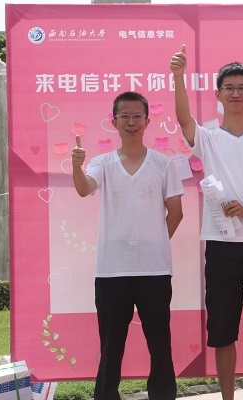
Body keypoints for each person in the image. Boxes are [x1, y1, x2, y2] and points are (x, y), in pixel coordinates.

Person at [170, 45, 243, 400]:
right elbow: (184, 120)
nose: (235, 93)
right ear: (218, 94)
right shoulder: (208, 138)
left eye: (242, 88)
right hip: (222, 245)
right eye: (229, 88)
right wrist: (178, 76)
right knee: (223, 331)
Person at [71, 91, 184, 400]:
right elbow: (84, 189)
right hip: (112, 271)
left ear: (147, 121)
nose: (131, 122)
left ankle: (162, 394)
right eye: (125, 116)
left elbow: (176, 212)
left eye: (137, 116)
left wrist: (154, 243)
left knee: (159, 343)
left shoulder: (163, 164)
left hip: (154, 270)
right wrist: (77, 166)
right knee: (111, 345)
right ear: (114, 122)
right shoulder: (102, 163)